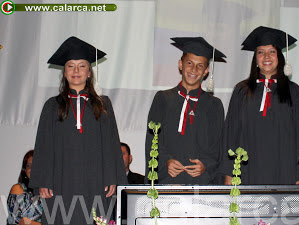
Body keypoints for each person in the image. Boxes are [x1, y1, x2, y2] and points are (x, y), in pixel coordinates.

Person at [29, 36, 127, 225]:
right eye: (70, 66)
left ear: (89, 72)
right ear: (64, 72)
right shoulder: (52, 106)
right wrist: (43, 181)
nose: (76, 71)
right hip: (60, 183)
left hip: (96, 182)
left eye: (82, 66)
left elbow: (111, 144)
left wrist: (112, 177)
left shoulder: (103, 104)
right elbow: (43, 146)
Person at [221, 26, 299, 185]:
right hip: (247, 171)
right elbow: (231, 135)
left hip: (285, 169)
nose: (266, 56)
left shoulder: (293, 91)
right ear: (255, 58)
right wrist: (229, 172)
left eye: (272, 51)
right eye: (261, 52)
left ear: (280, 57)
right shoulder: (241, 91)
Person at [145, 37, 226, 184]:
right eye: (189, 63)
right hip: (168, 179)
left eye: (200, 66)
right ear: (180, 65)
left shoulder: (214, 105)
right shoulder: (163, 99)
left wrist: (206, 164)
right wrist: (166, 161)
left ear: (206, 71)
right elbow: (152, 140)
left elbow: (219, 144)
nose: (194, 70)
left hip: (201, 181)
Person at [7, 150, 42, 225]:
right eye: (29, 166)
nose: (33, 169)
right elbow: (18, 221)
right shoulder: (18, 189)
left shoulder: (48, 192)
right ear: (25, 170)